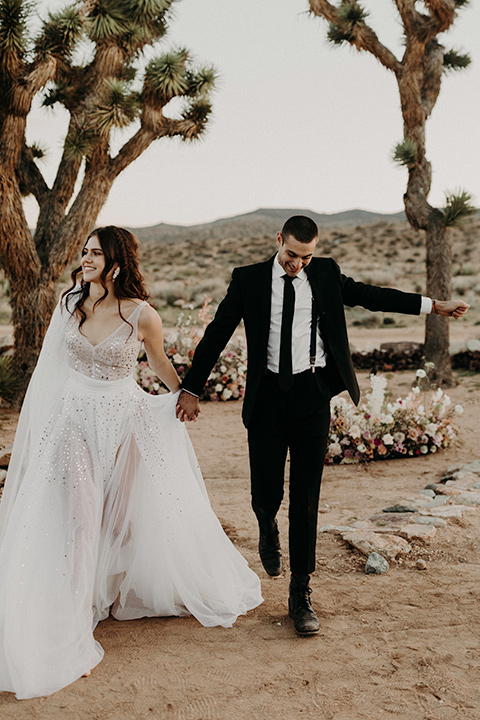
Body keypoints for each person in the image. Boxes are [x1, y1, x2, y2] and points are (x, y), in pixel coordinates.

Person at [0, 226, 262, 700]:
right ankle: (74, 626)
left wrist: (184, 392)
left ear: (116, 259)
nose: (86, 259)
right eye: (84, 251)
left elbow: (158, 364)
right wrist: (40, 426)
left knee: (118, 520)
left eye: (96, 253)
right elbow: (49, 370)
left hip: (123, 422)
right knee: (80, 522)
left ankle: (109, 593)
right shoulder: (69, 305)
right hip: (73, 422)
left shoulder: (142, 315)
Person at [176, 214, 469, 637]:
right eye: (292, 255)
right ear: (279, 240)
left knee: (307, 496)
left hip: (312, 396)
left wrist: (432, 305)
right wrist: (191, 388)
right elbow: (218, 332)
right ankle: (266, 525)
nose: (298, 264)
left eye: (306, 257)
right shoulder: (249, 280)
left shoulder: (326, 273)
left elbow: (372, 296)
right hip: (268, 399)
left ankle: (301, 592)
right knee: (266, 493)